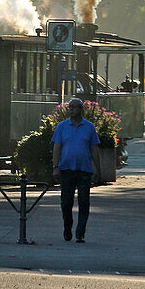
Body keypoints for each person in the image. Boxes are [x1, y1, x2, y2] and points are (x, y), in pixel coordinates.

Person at [52, 97, 100, 243]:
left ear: (81, 109)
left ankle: (80, 232)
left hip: (84, 170)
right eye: (70, 107)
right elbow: (57, 148)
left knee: (84, 202)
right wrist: (55, 167)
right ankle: (68, 227)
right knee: (66, 202)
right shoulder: (62, 127)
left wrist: (98, 169)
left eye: (74, 107)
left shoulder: (89, 127)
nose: (71, 109)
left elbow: (94, 149)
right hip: (66, 169)